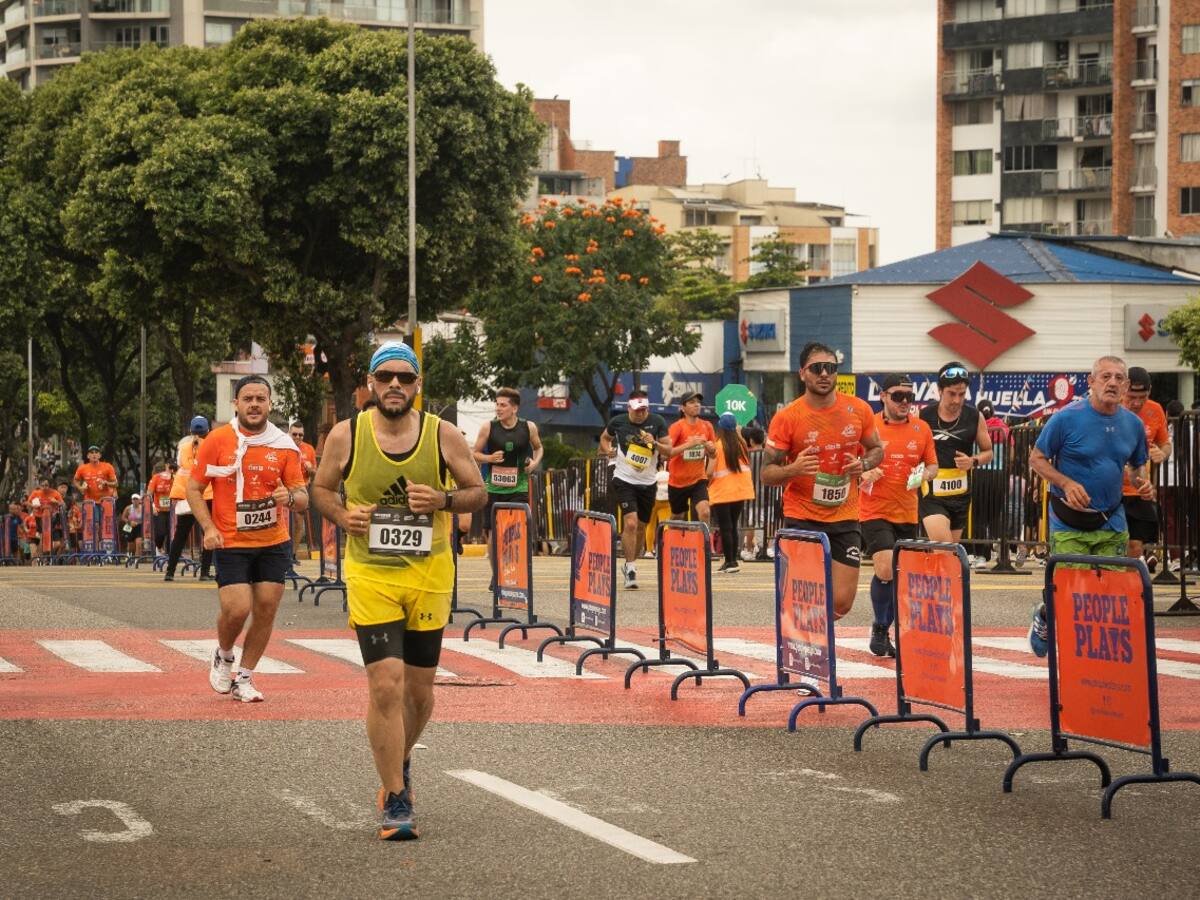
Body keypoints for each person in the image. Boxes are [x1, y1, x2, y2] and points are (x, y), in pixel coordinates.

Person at [310, 341, 486, 842]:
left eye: (404, 378)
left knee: (420, 692)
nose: (394, 385)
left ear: (416, 386)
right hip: (371, 574)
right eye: (384, 376)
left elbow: (478, 491)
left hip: (429, 576)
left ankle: (399, 757)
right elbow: (321, 489)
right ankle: (396, 797)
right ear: (370, 383)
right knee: (386, 683)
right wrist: (343, 515)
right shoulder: (347, 434)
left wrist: (443, 499)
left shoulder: (442, 434)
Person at [187, 376, 309, 703]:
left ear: (270, 403)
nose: (254, 404)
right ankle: (224, 654)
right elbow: (194, 489)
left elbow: (302, 496)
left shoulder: (284, 445)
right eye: (248, 399)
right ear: (236, 404)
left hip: (273, 542)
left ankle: (245, 677)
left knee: (266, 609)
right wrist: (208, 528)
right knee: (238, 609)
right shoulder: (217, 440)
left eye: (260, 398)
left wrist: (289, 498)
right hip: (230, 541)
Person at [1027, 355, 1151, 656]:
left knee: (1109, 590)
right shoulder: (1066, 418)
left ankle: (1093, 657)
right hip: (1068, 519)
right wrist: (1067, 483)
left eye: (1119, 378)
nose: (1112, 383)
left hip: (1111, 518)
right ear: (1091, 382)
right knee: (1070, 590)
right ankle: (1045, 615)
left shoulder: (1133, 425)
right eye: (1106, 377)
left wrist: (1142, 483)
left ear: (1125, 386)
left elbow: (1136, 468)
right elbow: (1036, 459)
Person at [762, 343, 883, 619]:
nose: (825, 374)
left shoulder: (858, 409)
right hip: (802, 515)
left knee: (841, 603)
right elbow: (766, 473)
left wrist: (863, 464)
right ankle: (804, 636)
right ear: (802, 373)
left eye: (831, 368)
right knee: (804, 593)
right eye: (817, 368)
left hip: (845, 515)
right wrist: (793, 469)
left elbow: (876, 449)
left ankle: (814, 629)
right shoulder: (788, 417)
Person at [858, 375, 937, 656]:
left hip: (907, 511)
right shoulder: (869, 427)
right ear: (883, 396)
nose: (904, 402)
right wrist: (864, 471)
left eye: (909, 397)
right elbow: (851, 462)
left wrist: (923, 474)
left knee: (899, 577)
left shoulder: (921, 428)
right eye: (898, 396)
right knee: (885, 568)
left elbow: (933, 465)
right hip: (874, 509)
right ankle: (880, 628)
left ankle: (883, 629)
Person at [918, 362, 994, 566]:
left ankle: (936, 583)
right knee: (945, 550)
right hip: (931, 493)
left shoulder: (975, 416)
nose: (957, 400)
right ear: (939, 390)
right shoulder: (924, 416)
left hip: (960, 494)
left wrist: (973, 461)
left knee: (947, 558)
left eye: (962, 394)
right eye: (951, 394)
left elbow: (989, 452)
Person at [599, 389, 671, 589]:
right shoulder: (618, 422)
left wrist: (654, 443)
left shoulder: (657, 422)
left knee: (641, 526)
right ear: (629, 408)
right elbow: (604, 438)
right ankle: (630, 569)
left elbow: (669, 450)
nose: (641, 414)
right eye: (637, 410)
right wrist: (608, 450)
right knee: (630, 523)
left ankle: (632, 561)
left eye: (644, 410)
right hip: (624, 479)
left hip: (648, 482)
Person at [473, 388, 542, 587]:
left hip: (518, 488)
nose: (498, 408)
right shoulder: (488, 427)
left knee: (515, 532)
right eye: (497, 404)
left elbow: (538, 447)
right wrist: (489, 458)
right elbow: (474, 453)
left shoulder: (528, 427)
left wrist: (534, 463)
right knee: (493, 534)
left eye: (503, 405)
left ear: (514, 408)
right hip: (494, 489)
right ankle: (497, 575)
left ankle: (514, 571)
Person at [1120, 367, 1171, 569]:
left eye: (1142, 397)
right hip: (1111, 490)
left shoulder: (1155, 410)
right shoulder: (1111, 408)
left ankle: (1130, 583)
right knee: (1114, 543)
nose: (1136, 403)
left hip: (1139, 490)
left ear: (1149, 391)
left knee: (1135, 545)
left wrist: (1162, 453)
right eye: (1131, 397)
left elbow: (1165, 444)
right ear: (1123, 389)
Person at [166, 417, 214, 582]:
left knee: (180, 534)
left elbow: (181, 465)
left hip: (186, 495)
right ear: (208, 431)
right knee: (208, 532)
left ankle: (170, 572)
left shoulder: (183, 447)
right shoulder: (210, 445)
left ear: (191, 431)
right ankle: (204, 572)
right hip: (206, 494)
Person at [708, 412, 755, 574]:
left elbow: (710, 472)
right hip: (740, 491)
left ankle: (729, 562)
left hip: (722, 491)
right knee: (733, 526)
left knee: (725, 527)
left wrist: (705, 484)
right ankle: (732, 560)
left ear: (720, 428)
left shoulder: (717, 446)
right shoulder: (741, 445)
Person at [666, 391, 716, 529]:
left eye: (698, 402)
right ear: (683, 408)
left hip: (698, 479)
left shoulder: (707, 426)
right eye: (692, 402)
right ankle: (670, 538)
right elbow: (667, 454)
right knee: (677, 518)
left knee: (705, 512)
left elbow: (713, 455)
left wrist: (711, 449)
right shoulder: (677, 427)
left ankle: (703, 541)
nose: (697, 405)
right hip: (677, 482)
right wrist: (689, 445)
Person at [288, 421, 318, 555]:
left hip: (301, 490)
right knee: (284, 524)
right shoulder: (283, 446)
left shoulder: (309, 449)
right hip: (286, 489)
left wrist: (311, 469)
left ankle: (293, 555)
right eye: (294, 434)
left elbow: (315, 473)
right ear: (289, 433)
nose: (297, 437)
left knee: (298, 524)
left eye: (300, 435)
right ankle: (283, 556)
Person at [146, 461, 174, 554]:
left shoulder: (174, 478)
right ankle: (159, 547)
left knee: (171, 533)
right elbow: (149, 494)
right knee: (161, 532)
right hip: (159, 510)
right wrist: (153, 506)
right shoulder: (156, 478)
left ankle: (171, 554)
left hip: (172, 510)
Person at [120, 493, 144, 557]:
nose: (135, 501)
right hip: (129, 527)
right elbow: (123, 517)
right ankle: (129, 555)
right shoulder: (128, 508)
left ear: (139, 500)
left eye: (136, 499)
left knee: (139, 543)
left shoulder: (143, 508)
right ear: (131, 500)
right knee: (131, 546)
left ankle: (137, 559)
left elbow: (147, 517)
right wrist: (129, 522)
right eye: (133, 499)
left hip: (139, 526)